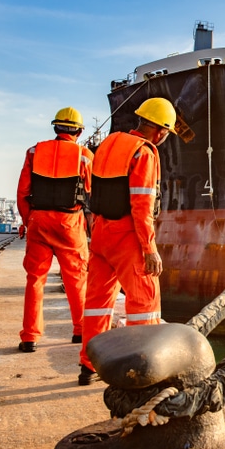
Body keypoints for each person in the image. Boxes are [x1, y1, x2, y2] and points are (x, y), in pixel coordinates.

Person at [78, 97, 176, 385]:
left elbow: (94, 190)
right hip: (127, 235)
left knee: (96, 302)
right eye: (166, 134)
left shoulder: (109, 144)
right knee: (145, 302)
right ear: (159, 130)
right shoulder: (144, 153)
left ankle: (89, 365)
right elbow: (142, 206)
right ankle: (142, 371)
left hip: (101, 233)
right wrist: (150, 249)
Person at [16, 107, 93, 352]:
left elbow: (22, 192)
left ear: (55, 127)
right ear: (79, 131)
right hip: (69, 222)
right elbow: (92, 191)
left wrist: (28, 220)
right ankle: (80, 330)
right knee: (76, 278)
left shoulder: (33, 151)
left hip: (38, 220)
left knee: (35, 280)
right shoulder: (84, 155)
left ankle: (29, 337)